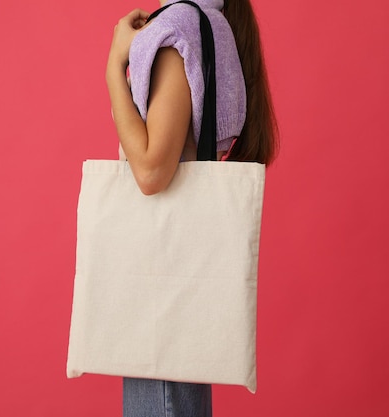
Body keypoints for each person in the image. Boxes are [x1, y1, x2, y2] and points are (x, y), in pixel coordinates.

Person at [106, 0, 277, 415]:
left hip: (160, 259)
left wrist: (115, 65)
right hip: (180, 257)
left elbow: (150, 172)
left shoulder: (179, 26)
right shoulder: (206, 22)